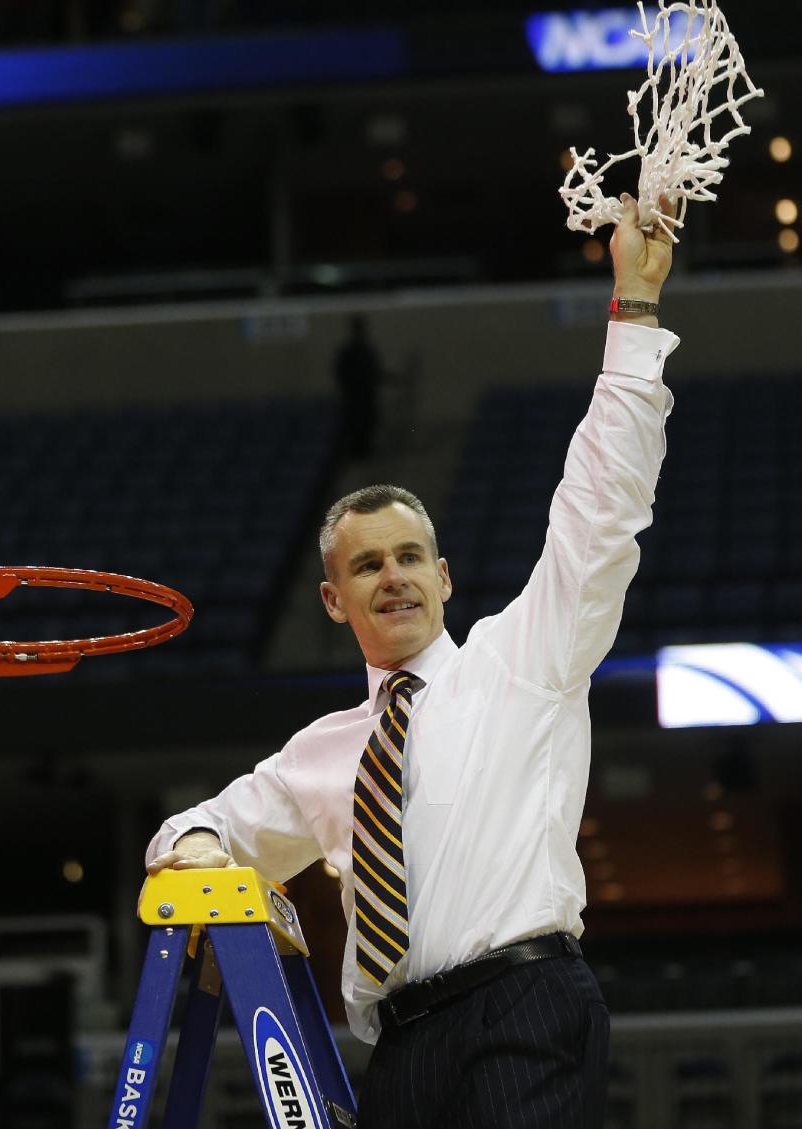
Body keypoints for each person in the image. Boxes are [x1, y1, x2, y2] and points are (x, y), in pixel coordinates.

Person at [145, 194, 679, 1128]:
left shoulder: (525, 656)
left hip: (525, 1006)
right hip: (398, 1052)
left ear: (443, 574)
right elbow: (204, 829)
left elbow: (603, 504)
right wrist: (189, 846)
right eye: (365, 564)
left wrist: (634, 307)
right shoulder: (321, 751)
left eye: (407, 557)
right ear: (332, 599)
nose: (391, 577)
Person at [333, 314, 383, 458]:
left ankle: (365, 452)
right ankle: (357, 454)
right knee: (355, 429)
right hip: (354, 400)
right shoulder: (348, 352)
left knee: (368, 427)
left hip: (366, 399)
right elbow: (340, 374)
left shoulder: (367, 350)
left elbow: (376, 372)